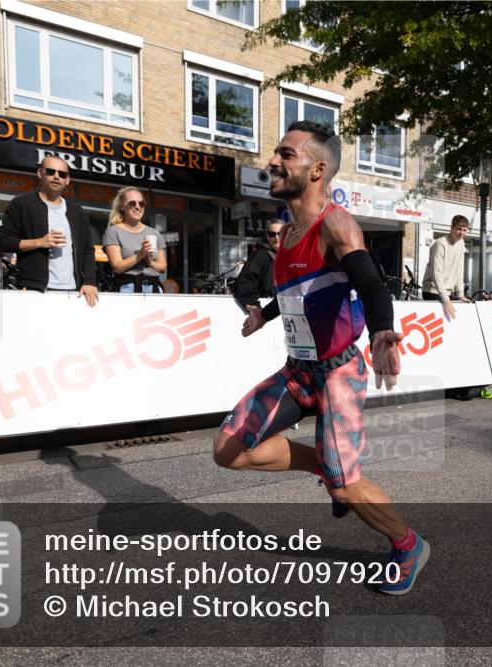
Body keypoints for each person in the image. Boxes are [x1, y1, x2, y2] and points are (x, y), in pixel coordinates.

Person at [213, 120, 428, 596]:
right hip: (297, 373)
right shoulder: (287, 236)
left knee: (346, 487)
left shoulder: (335, 223)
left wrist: (383, 333)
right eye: (276, 152)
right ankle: (321, 464)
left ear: (317, 169)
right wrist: (264, 317)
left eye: (286, 154)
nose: (273, 161)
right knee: (228, 450)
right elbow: (297, 293)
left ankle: (408, 545)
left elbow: (370, 283)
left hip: (338, 375)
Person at [0, 156, 98, 305]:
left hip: (73, 291)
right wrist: (39, 242)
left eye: (62, 174)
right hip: (35, 290)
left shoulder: (76, 211)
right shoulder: (21, 204)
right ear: (40, 173)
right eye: (51, 172)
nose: (56, 176)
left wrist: (89, 281)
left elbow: (87, 250)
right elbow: (5, 242)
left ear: (67, 180)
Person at [103, 187, 167, 293]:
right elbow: (117, 267)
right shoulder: (113, 231)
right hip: (128, 287)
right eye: (132, 203)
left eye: (141, 203)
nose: (138, 207)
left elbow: (163, 267)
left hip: (154, 287)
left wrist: (150, 263)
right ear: (122, 207)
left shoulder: (154, 233)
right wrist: (140, 255)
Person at [421, 215, 469, 319]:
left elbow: (459, 270)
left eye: (464, 230)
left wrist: (460, 294)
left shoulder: (461, 243)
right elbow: (436, 273)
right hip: (432, 291)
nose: (462, 233)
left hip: (446, 292)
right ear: (451, 228)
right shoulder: (440, 243)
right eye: (458, 229)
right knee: (436, 324)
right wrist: (446, 300)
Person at [232, 220, 283, 308]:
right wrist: (257, 310)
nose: (277, 237)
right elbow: (244, 286)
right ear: (267, 236)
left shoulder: (291, 256)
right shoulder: (260, 255)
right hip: (268, 312)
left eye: (280, 233)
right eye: (272, 234)